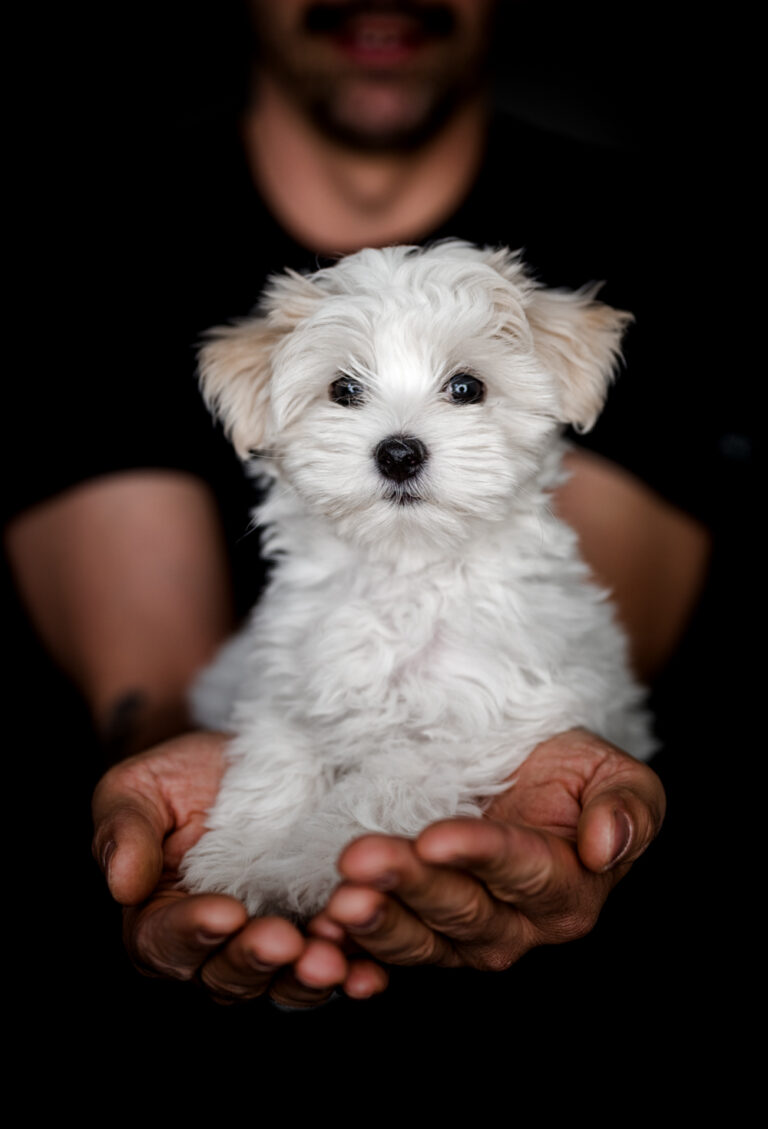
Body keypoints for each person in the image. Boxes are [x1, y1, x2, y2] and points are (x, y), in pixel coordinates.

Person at [3, 1, 749, 1023]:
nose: (402, 435)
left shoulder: (660, 231)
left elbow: (536, 708)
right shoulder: (92, 235)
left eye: (465, 388)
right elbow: (193, 688)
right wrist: (211, 784)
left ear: (556, 387)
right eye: (345, 393)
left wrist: (339, 827)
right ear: (263, 405)